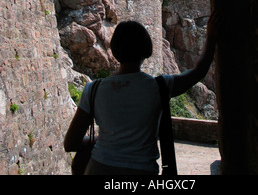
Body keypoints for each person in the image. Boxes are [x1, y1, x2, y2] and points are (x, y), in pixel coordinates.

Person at [64, 11, 223, 175]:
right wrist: (211, 38)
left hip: (98, 168)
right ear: (146, 50)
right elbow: (198, 72)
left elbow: (70, 144)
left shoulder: (94, 89)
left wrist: (104, 141)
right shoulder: (159, 86)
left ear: (114, 50)